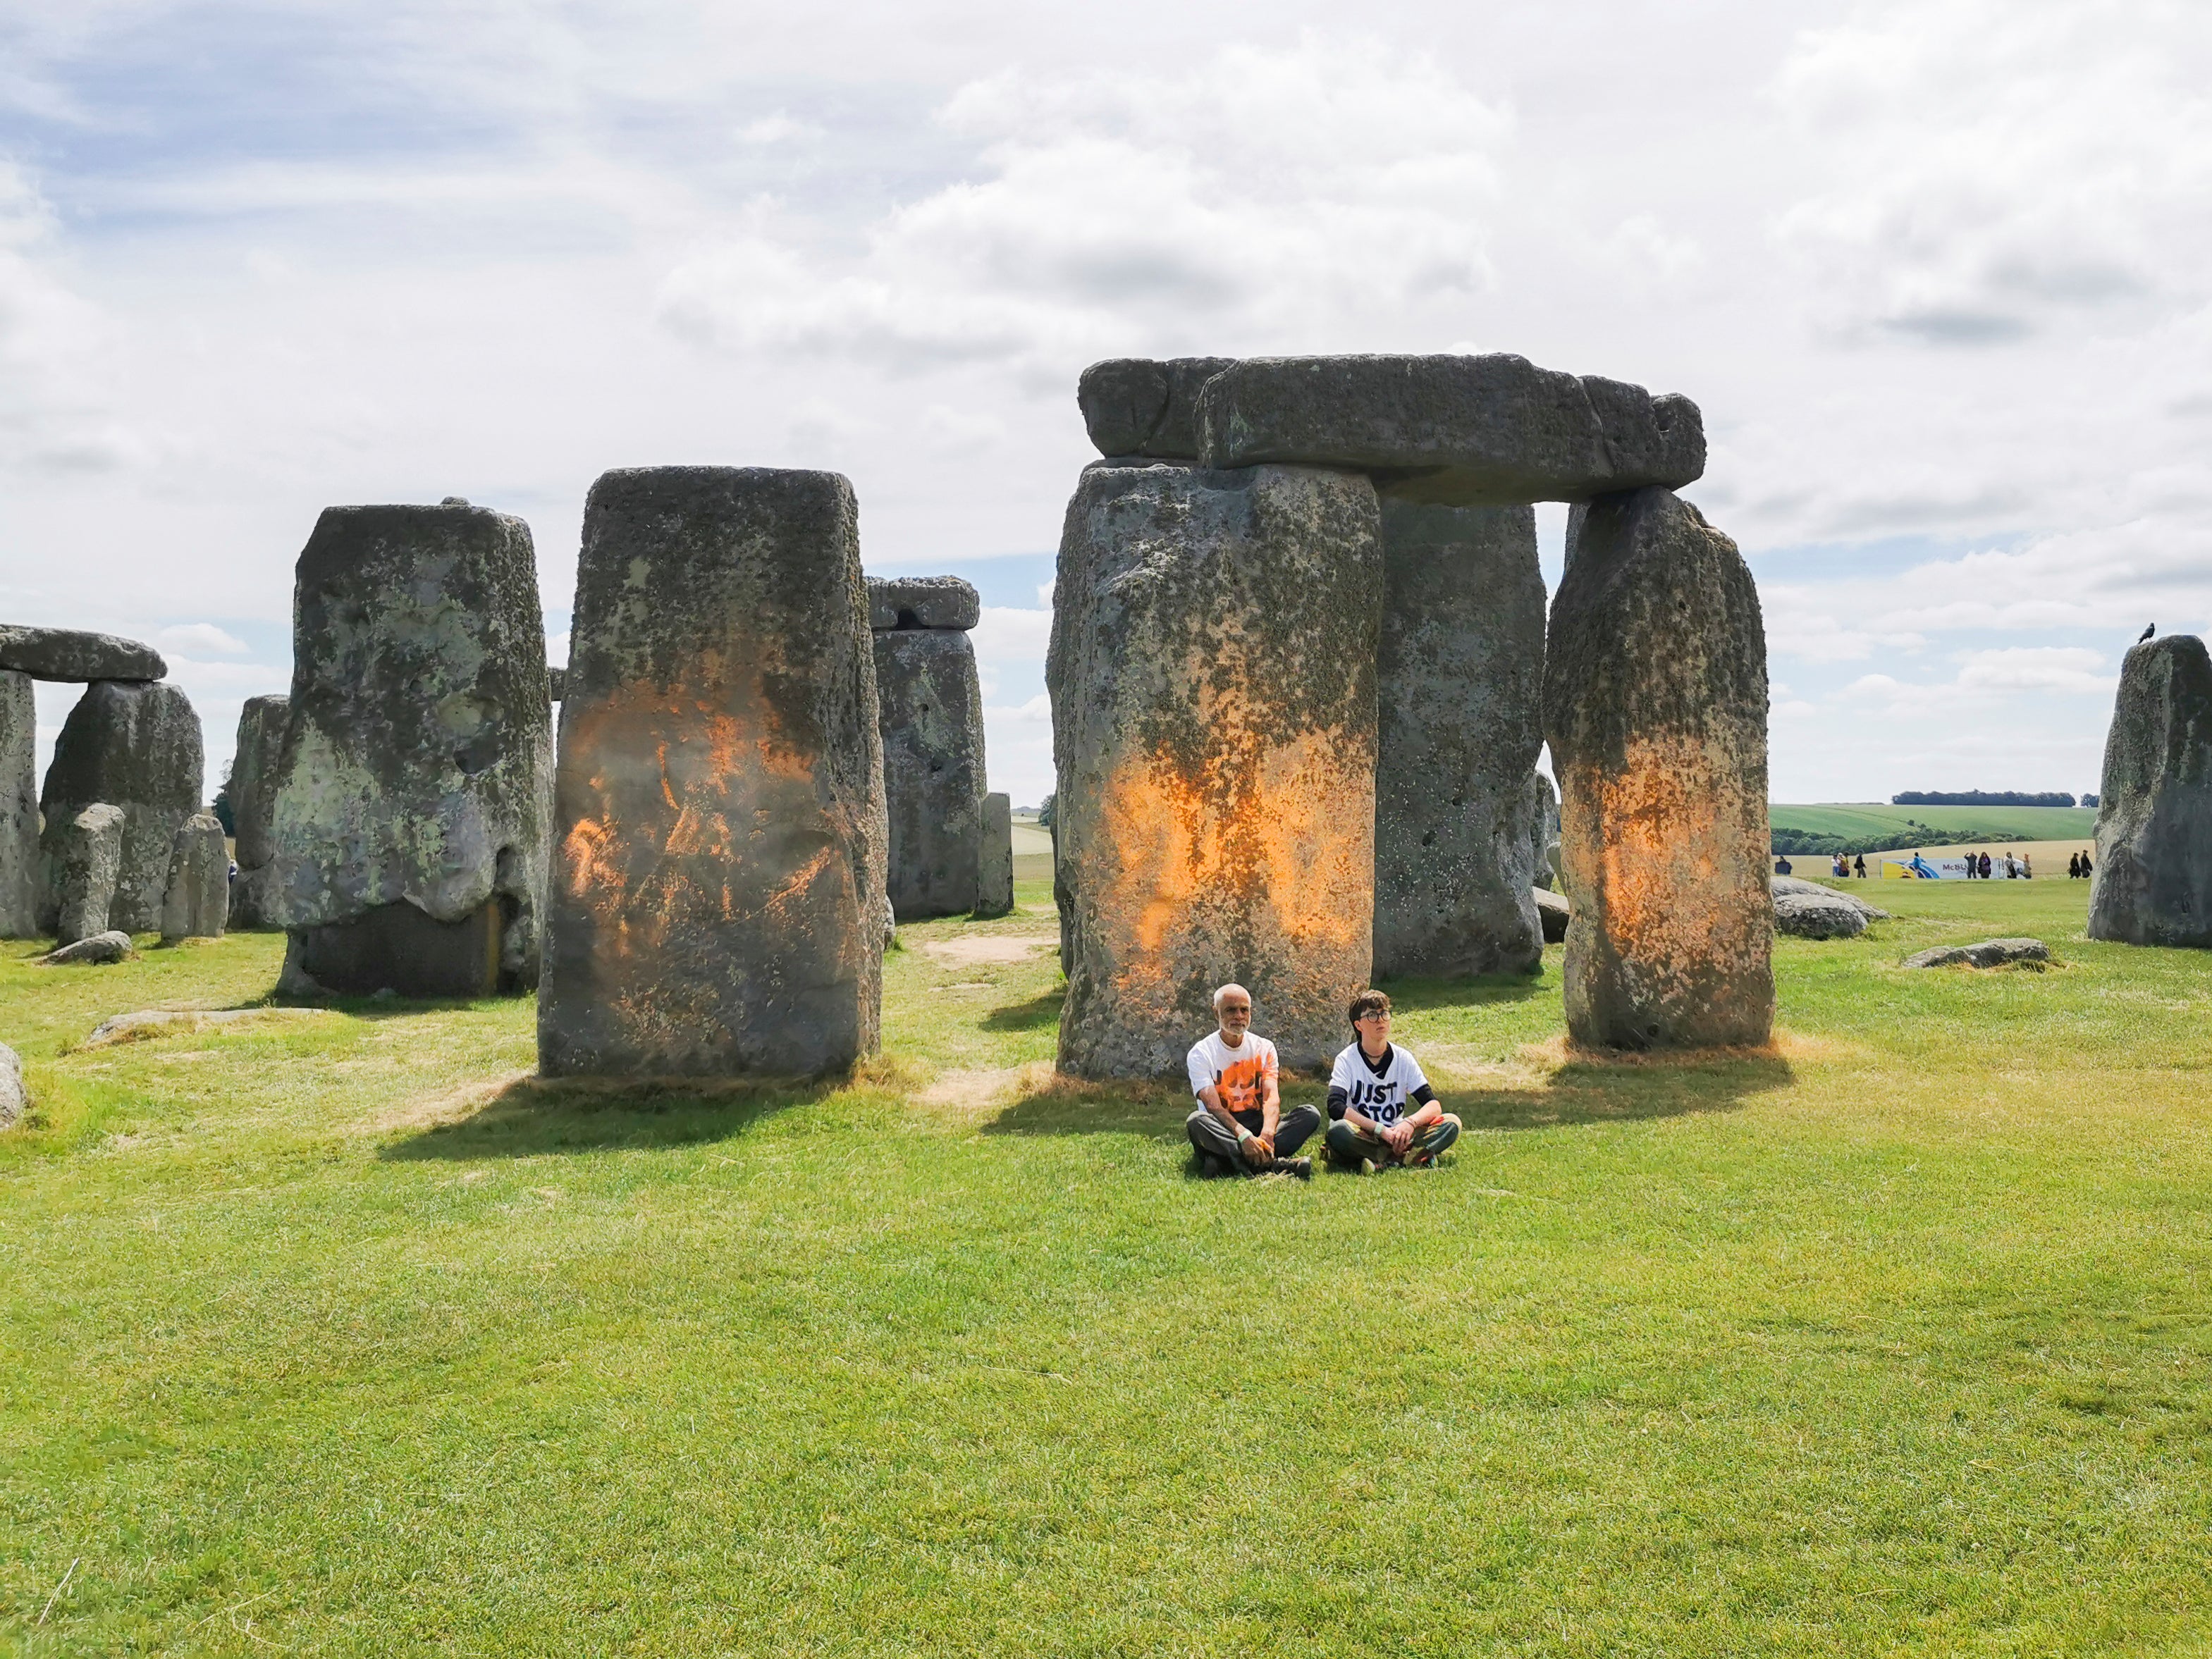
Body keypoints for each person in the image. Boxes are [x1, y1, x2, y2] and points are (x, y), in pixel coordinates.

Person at [1323, 989, 1463, 1174]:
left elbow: (1433, 1104)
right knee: (1338, 1129)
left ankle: (1382, 1159)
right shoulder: (1347, 1059)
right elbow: (1335, 1106)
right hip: (1366, 1133)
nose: (1380, 1020)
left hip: (1399, 1133)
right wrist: (1381, 1131)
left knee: (1452, 1123)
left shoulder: (1403, 1058)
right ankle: (1410, 1156)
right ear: (1359, 1025)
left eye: (1384, 1013)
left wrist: (1409, 1124)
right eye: (1372, 1015)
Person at [1185, 983, 1316, 1179]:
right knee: (1196, 1121)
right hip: (1223, 1125)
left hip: (1257, 1120)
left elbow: (1271, 1098)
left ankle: (1226, 1161)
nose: (1239, 1016)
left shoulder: (1265, 1048)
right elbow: (1213, 1106)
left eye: (1244, 1010)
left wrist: (1268, 1134)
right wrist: (1244, 1137)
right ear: (1216, 1013)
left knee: (1310, 1114)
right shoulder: (1201, 1053)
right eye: (1230, 1010)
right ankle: (1273, 1163)